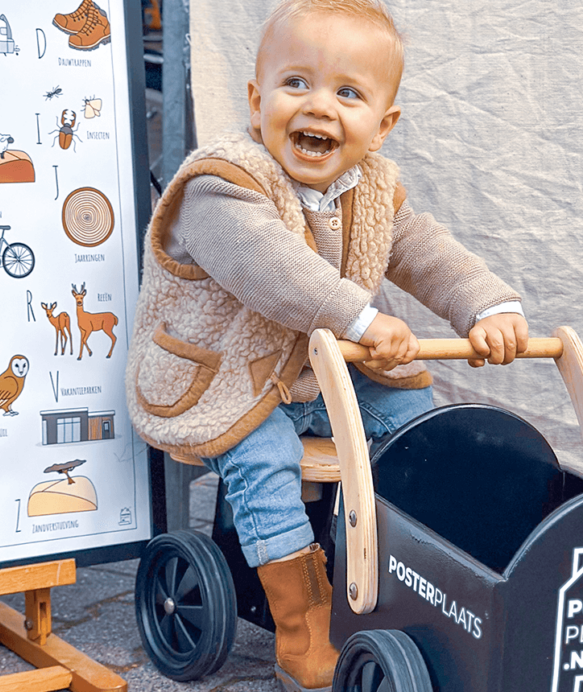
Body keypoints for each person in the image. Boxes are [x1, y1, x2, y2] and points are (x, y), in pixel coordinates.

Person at [126, 1, 528, 689]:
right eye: (296, 84)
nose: (319, 107)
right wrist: (362, 322)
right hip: (228, 376)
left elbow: (426, 252)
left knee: (422, 420)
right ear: (257, 101)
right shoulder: (220, 184)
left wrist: (487, 305)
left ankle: (406, 573)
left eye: (347, 93)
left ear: (382, 126)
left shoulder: (371, 187)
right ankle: (303, 626)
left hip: (317, 371)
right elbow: (272, 269)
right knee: (266, 456)